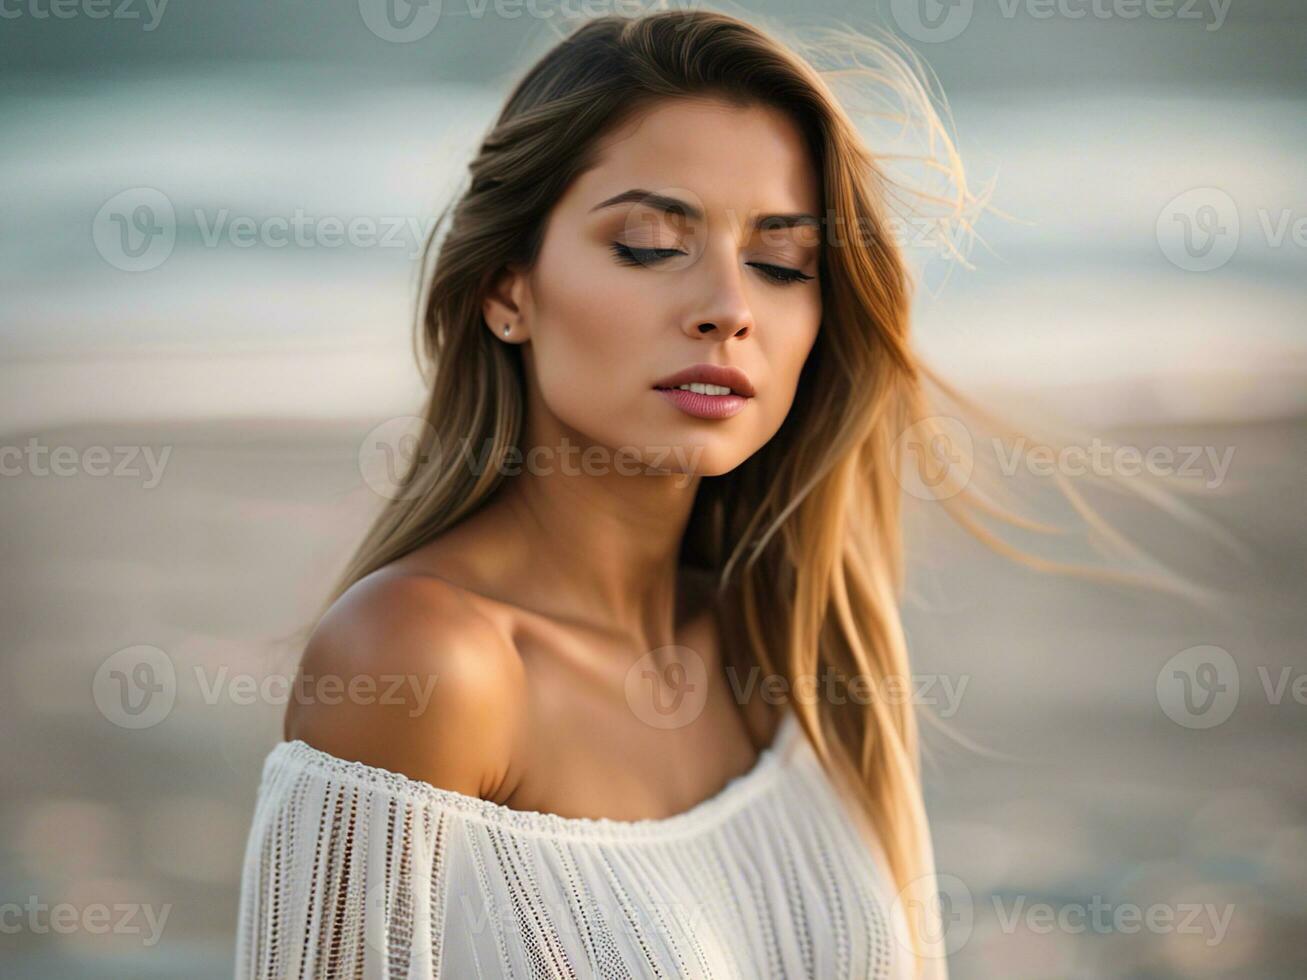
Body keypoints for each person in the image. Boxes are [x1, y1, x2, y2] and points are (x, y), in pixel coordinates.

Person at [235, 9, 989, 977]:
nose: (728, 305)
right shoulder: (426, 665)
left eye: (779, 261)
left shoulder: (793, 642)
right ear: (507, 290)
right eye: (645, 243)